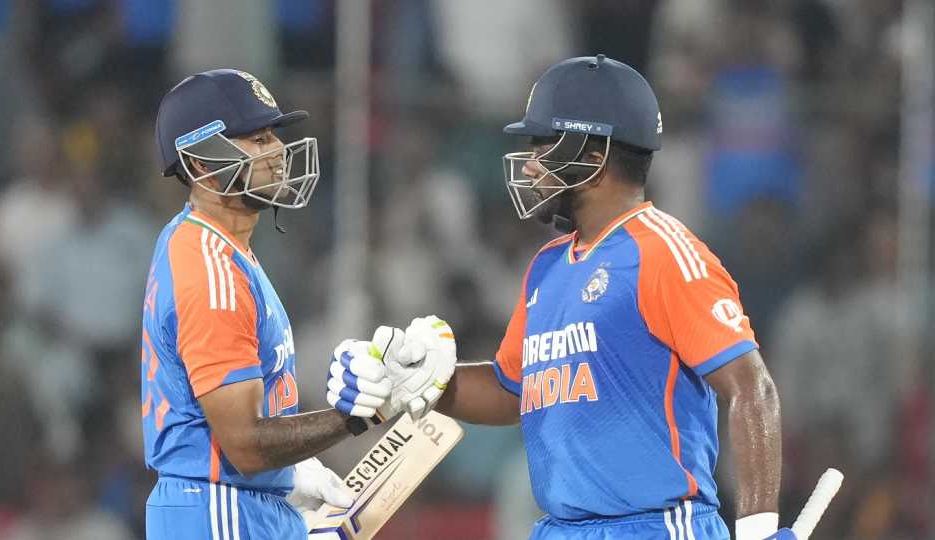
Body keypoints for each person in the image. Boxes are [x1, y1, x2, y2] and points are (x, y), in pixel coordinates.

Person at [432, 55, 792, 540]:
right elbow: (511, 391)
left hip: (654, 527)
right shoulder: (547, 265)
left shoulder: (664, 252)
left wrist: (758, 530)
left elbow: (752, 388)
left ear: (594, 156)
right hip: (560, 528)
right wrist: (420, 385)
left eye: (544, 143)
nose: (531, 163)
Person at [141, 69, 450, 540]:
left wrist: (287, 477)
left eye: (274, 137)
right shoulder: (210, 265)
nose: (279, 152)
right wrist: (364, 413)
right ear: (202, 162)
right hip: (219, 509)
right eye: (257, 139)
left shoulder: (221, 249)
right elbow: (244, 445)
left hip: (238, 502)